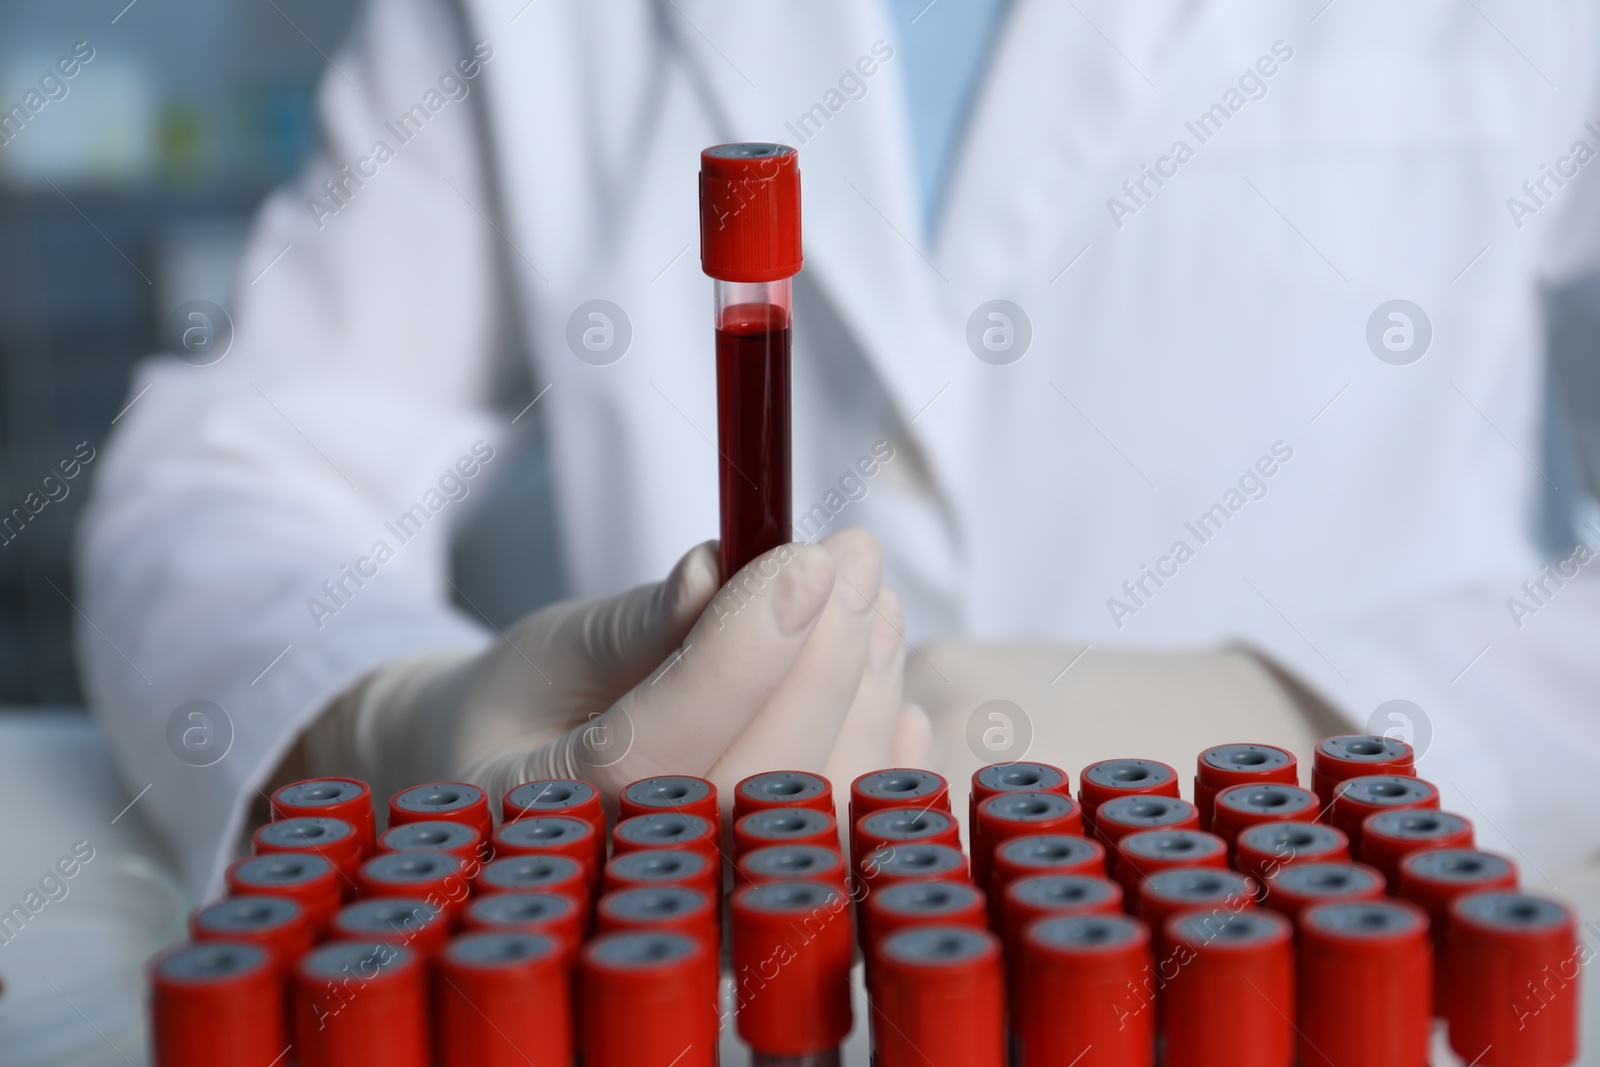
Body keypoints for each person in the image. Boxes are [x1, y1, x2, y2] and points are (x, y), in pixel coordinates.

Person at [80, 0, 1600, 898]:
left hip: (1335, 928)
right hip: (728, 952)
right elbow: (247, 468)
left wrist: (1305, 718)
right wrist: (384, 724)